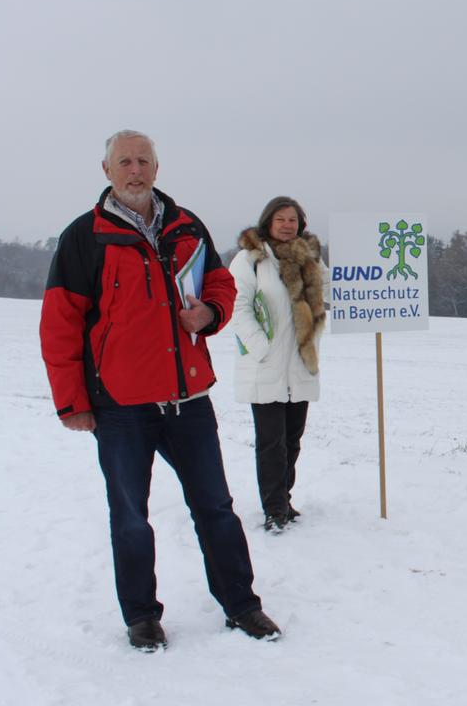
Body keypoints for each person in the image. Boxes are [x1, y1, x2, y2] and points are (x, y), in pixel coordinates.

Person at [40, 130, 281, 651]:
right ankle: (142, 616)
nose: (135, 170)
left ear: (156, 168)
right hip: (120, 406)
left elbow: (219, 283)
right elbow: (60, 323)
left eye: (143, 161)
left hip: (188, 402)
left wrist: (211, 313)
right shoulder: (85, 236)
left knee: (215, 506)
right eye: (124, 161)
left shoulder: (185, 225)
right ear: (106, 170)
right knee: (131, 516)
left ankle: (242, 605)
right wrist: (72, 401)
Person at [230, 196, 327, 532]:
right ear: (268, 221)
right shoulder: (250, 260)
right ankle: (273, 508)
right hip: (266, 365)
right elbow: (238, 308)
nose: (287, 225)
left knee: (292, 439)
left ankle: (285, 498)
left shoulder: (310, 259)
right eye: (281, 219)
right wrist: (262, 349)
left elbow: (329, 293)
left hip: (300, 364)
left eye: (293, 220)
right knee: (270, 441)